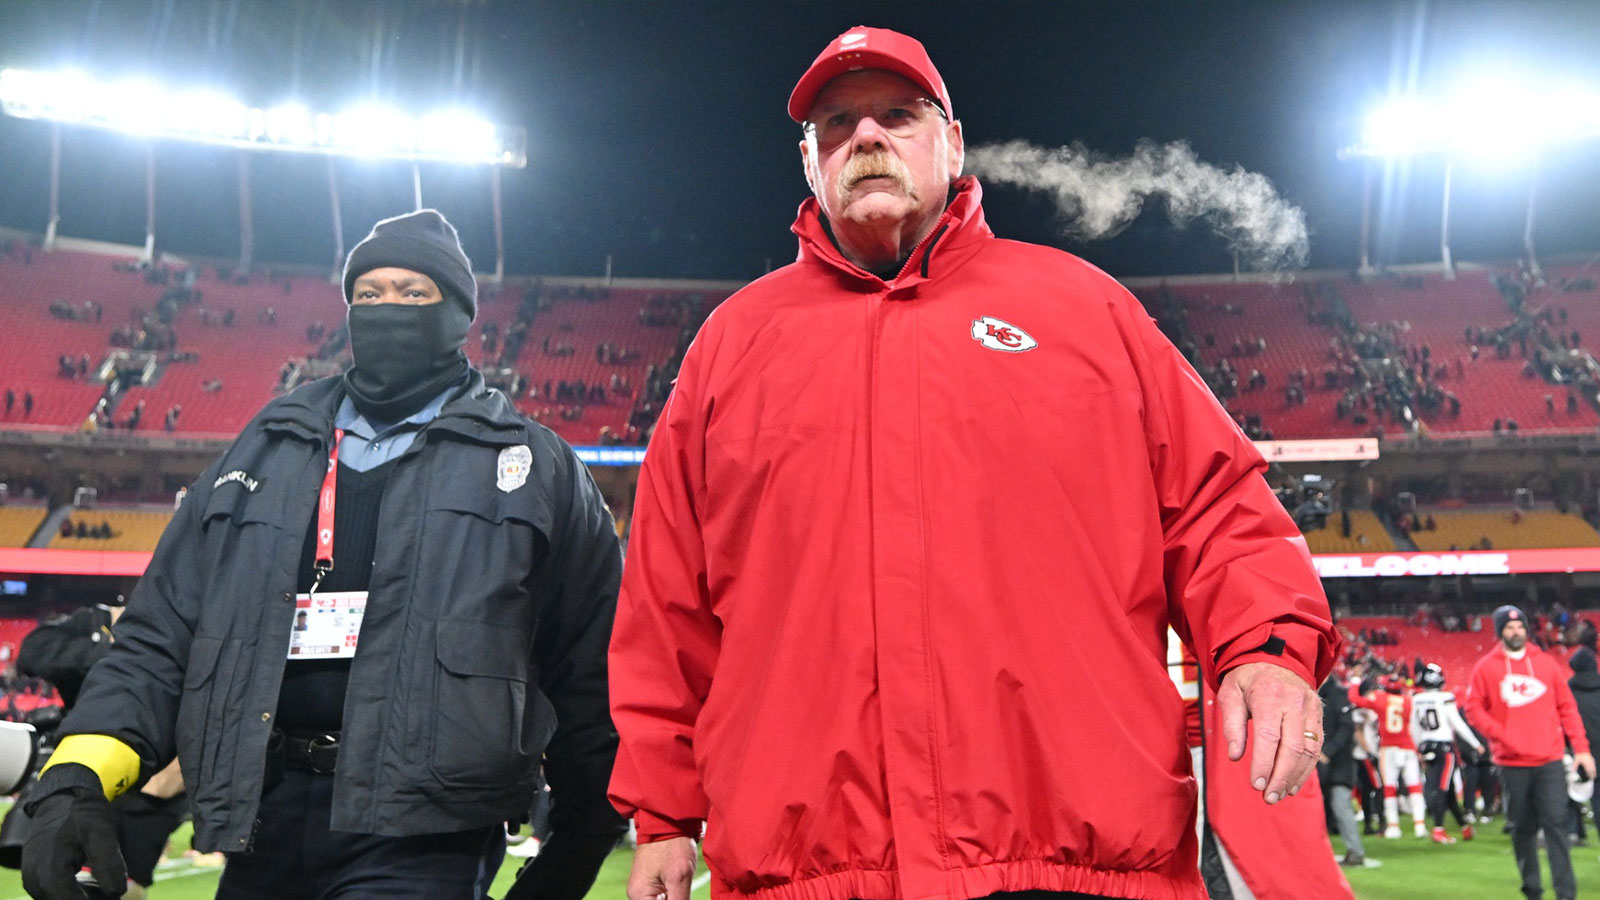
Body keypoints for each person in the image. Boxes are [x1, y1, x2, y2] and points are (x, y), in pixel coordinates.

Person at [609, 27, 1339, 900]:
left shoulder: (1084, 309)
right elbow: (665, 602)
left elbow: (1219, 510)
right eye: (837, 125)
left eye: (898, 115)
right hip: (807, 872)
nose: (867, 138)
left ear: (952, 144)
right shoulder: (731, 346)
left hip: (1077, 864)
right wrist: (662, 815)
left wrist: (1265, 644)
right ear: (810, 164)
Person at [19, 210, 627, 900]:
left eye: (412, 292)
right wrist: (75, 781)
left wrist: (577, 845)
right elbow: (162, 635)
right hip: (264, 815)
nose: (386, 309)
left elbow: (590, 672)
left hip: (426, 837)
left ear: (458, 312)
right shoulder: (267, 447)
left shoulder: (533, 466)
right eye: (368, 294)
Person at [7, 602, 188, 900]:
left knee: (124, 886)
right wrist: (120, 655)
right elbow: (34, 651)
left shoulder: (180, 630)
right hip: (87, 767)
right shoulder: (97, 622)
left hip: (154, 781)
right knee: (63, 874)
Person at [1465, 605, 1594, 900]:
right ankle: (1532, 890)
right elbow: (1473, 709)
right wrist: (1502, 737)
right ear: (1500, 632)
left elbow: (1568, 709)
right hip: (1512, 763)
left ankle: (1566, 893)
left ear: (1527, 629)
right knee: (1522, 829)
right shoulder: (1486, 668)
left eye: (1520, 627)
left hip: (1549, 759)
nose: (1515, 632)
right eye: (1509, 628)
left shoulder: (1547, 664)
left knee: (1557, 827)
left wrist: (1582, 751)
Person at [1410, 663, 1485, 843]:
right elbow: (1457, 723)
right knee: (1442, 788)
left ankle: (1464, 827)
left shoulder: (1416, 699)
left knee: (1448, 790)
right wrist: (1476, 744)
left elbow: (1414, 726)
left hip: (1426, 746)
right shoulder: (1446, 698)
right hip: (1444, 748)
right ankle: (1438, 829)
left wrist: (1418, 747)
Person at [1350, 677, 1426, 838]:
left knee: (1390, 788)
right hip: (1407, 746)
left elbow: (1354, 698)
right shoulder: (1408, 701)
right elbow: (1416, 725)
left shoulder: (1379, 698)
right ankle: (1420, 825)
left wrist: (1355, 683)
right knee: (1415, 787)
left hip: (1388, 748)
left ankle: (1393, 827)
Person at [1319, 674, 1366, 866]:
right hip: (1318, 761)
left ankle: (1355, 851)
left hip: (1338, 764)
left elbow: (1347, 728)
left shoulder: (1338, 694)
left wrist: (1327, 752)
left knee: (1341, 806)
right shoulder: (1314, 692)